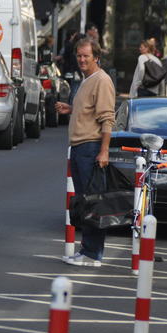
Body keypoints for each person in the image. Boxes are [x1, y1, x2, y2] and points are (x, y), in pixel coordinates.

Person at [55, 37, 116, 266]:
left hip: (91, 148)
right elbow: (89, 110)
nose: (81, 59)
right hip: (80, 148)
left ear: (96, 57)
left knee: (92, 203)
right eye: (79, 55)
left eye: (86, 56)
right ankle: (87, 250)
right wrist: (71, 109)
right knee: (84, 202)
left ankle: (93, 254)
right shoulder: (87, 80)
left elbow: (107, 118)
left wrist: (104, 151)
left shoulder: (101, 80)